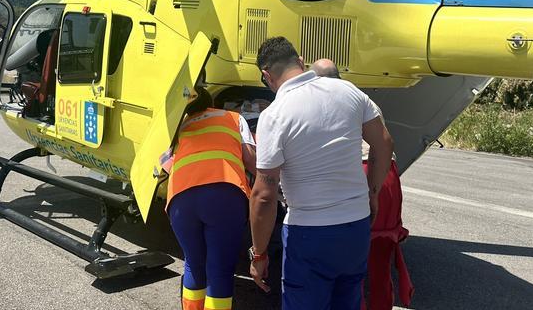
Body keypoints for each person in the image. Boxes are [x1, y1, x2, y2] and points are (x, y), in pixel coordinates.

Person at [248, 37, 395, 310]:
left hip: (309, 233)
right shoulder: (348, 91)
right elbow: (384, 142)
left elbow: (264, 195)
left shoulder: (275, 114)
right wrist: (372, 193)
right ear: (301, 61)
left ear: (267, 76)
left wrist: (259, 254)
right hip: (356, 226)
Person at [312, 59, 413, 310]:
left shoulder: (322, 103)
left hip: (362, 174)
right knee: (380, 261)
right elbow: (385, 144)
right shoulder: (362, 98)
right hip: (388, 176)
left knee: (349, 267)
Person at [164, 87, 257, 310]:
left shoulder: (177, 127)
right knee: (219, 270)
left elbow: (165, 165)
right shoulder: (234, 118)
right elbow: (252, 162)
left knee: (194, 265)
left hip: (180, 199)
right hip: (225, 195)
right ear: (212, 102)